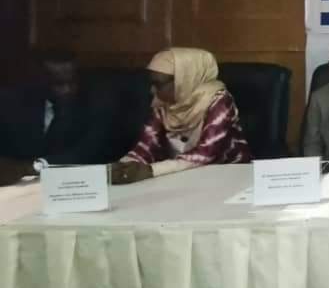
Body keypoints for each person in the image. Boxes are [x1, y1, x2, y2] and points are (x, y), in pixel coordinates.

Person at [111, 48, 249, 184]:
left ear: (183, 79)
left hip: (228, 177)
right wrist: (123, 166)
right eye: (151, 83)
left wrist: (150, 170)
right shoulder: (163, 102)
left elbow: (206, 154)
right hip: (182, 177)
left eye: (158, 84)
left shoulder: (220, 101)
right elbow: (146, 146)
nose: (152, 90)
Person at [0, 50, 115, 186]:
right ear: (39, 80)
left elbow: (87, 151)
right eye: (58, 84)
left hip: (73, 183)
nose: (67, 89)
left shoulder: (96, 104)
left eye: (72, 82)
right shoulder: (11, 104)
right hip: (17, 186)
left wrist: (36, 166)